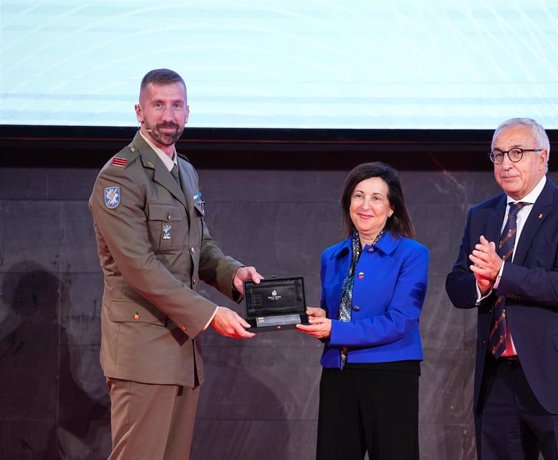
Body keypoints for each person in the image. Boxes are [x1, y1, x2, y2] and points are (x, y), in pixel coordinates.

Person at [88, 68, 262, 460]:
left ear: (188, 111)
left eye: (177, 105)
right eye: (158, 105)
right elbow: (140, 268)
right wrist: (210, 313)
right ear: (139, 111)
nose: (169, 115)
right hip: (142, 350)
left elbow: (198, 245)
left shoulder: (184, 169)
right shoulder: (119, 179)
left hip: (181, 349)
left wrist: (232, 273)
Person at [446, 118, 558, 459]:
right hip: (497, 381)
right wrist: (480, 283)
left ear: (543, 156)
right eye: (498, 155)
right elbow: (457, 284)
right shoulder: (482, 214)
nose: (506, 164)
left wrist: (502, 272)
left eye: (517, 153)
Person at [297, 162, 429, 460]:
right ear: (348, 203)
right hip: (338, 375)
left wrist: (334, 329)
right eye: (358, 196)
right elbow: (334, 317)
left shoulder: (413, 254)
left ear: (392, 207)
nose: (365, 205)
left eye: (376, 198)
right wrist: (320, 321)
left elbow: (401, 320)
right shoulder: (332, 255)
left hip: (390, 376)